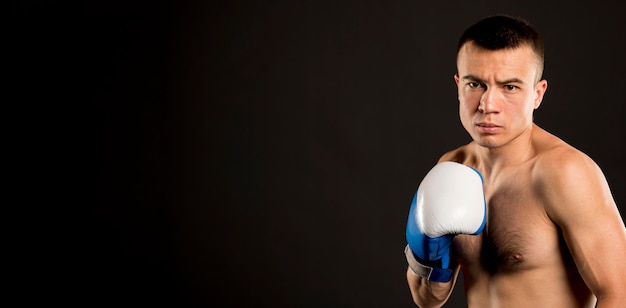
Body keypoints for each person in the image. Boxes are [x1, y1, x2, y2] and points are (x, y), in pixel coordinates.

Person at [404, 15, 626, 307]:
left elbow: (620, 292)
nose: (488, 105)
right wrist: (427, 252)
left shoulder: (564, 173)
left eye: (510, 87)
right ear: (458, 85)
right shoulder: (452, 166)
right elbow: (428, 300)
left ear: (537, 94)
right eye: (475, 84)